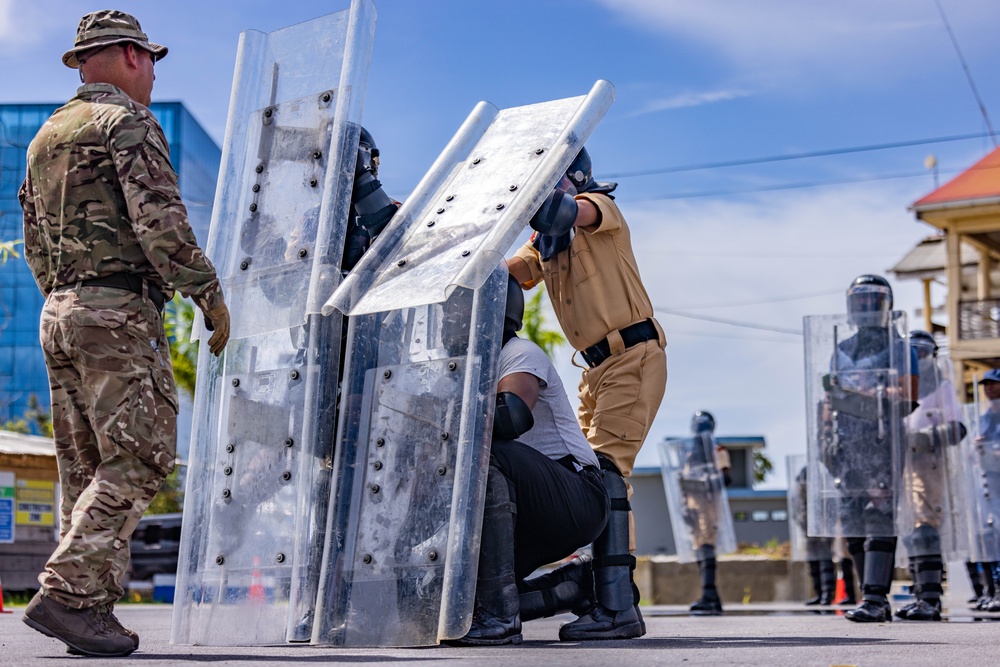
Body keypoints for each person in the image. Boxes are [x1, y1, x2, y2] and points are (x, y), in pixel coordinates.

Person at [18, 10, 229, 657]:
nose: (154, 71)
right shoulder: (126, 121)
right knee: (140, 457)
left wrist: (67, 301)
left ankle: (89, 613)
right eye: (152, 59)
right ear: (130, 55)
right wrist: (209, 293)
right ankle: (68, 588)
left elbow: (33, 241)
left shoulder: (46, 136)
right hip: (116, 309)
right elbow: (160, 222)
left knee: (85, 468)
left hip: (59, 308)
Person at [507, 147, 667, 640]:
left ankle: (618, 605)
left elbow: (564, 209)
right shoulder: (548, 243)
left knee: (606, 473)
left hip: (632, 353)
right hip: (594, 369)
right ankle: (605, 593)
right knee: (583, 473)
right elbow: (508, 274)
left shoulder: (599, 209)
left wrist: (527, 190)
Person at [446, 274, 610, 645]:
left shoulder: (518, 354)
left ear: (487, 309)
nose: (445, 318)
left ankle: (501, 619)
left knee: (484, 451)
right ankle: (569, 587)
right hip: (519, 506)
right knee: (445, 598)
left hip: (575, 497)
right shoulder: (462, 371)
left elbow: (511, 417)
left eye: (454, 308)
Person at [815, 274, 917, 623]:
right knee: (853, 520)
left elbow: (907, 395)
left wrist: (867, 397)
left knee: (879, 515)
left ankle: (877, 596)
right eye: (858, 301)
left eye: (872, 300)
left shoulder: (900, 347)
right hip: (848, 443)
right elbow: (830, 398)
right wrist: (826, 437)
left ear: (885, 304)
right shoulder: (841, 349)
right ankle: (866, 595)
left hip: (882, 439)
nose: (865, 308)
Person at [895, 330, 965, 621]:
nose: (919, 357)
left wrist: (926, 437)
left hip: (929, 464)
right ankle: (918, 591)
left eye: (924, 351)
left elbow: (958, 428)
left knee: (926, 529)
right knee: (911, 532)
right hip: (903, 464)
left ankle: (931, 598)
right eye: (914, 351)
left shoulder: (941, 385)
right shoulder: (902, 386)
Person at [681, 411, 732, 615]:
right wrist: (684, 506)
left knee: (707, 546)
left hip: (709, 505)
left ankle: (709, 595)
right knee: (699, 549)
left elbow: (726, 478)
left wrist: (705, 481)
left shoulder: (717, 450)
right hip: (693, 506)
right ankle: (710, 596)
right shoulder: (689, 454)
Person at [971, 369, 1000, 612]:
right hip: (987, 481)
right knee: (988, 535)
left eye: (994, 384)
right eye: (986, 385)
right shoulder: (984, 416)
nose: (989, 389)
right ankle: (991, 590)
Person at [791, 464, 836, 606]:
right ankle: (819, 593)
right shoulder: (801, 489)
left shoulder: (822, 487)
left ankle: (827, 594)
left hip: (822, 527)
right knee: (813, 562)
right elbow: (798, 507)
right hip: (807, 528)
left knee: (824, 561)